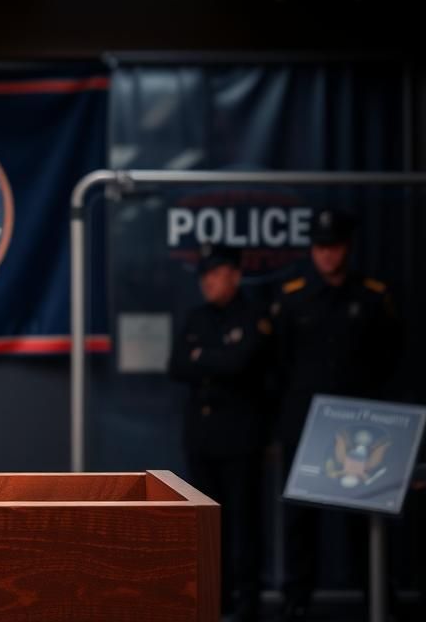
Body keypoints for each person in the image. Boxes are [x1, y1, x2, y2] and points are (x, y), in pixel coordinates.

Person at [272, 208, 400, 621]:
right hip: (305, 426)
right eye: (321, 248)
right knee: (298, 520)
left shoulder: (373, 297)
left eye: (335, 247)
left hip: (361, 428)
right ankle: (297, 598)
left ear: (347, 248)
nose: (327, 256)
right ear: (312, 251)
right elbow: (280, 365)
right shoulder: (293, 298)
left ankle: (375, 594)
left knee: (364, 520)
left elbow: (391, 362)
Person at [169, 243, 273, 622]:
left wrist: (204, 358)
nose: (208, 283)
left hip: (241, 437)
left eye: (216, 274)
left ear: (234, 275)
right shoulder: (197, 318)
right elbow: (178, 365)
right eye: (204, 276)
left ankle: (248, 601)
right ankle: (217, 598)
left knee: (244, 522)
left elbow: (240, 363)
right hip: (203, 438)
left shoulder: (256, 315)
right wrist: (217, 359)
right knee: (207, 525)